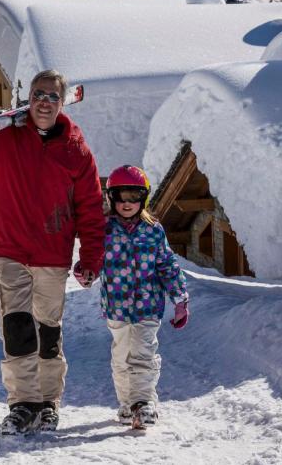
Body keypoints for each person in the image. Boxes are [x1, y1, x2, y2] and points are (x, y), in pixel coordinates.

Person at [0, 69, 105, 435]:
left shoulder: (76, 150)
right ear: (27, 99)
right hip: (8, 248)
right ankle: (23, 403)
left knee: (47, 331)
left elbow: (91, 210)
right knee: (16, 329)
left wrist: (91, 258)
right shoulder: (4, 137)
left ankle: (48, 402)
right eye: (38, 95)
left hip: (52, 253)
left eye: (51, 97)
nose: (44, 103)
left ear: (62, 103)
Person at [99, 165, 189, 427]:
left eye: (134, 197)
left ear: (144, 198)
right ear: (111, 198)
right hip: (116, 306)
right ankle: (127, 404)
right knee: (122, 355)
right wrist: (86, 271)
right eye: (121, 197)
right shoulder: (104, 229)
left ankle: (143, 403)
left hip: (148, 305)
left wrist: (180, 298)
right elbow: (92, 259)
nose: (127, 204)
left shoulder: (153, 229)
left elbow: (167, 264)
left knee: (143, 353)